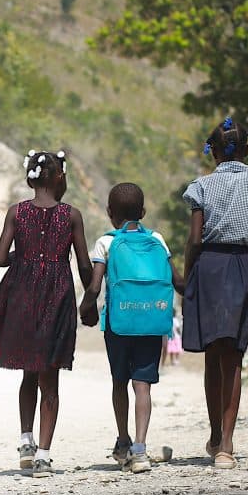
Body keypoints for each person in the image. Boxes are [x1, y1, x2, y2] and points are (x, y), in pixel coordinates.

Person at [0, 149, 93, 478]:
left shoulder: (16, 212)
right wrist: (91, 296)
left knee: (28, 371)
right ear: (59, 178)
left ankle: (26, 442)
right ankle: (44, 456)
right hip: (56, 296)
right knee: (49, 378)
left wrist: (24, 256)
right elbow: (82, 263)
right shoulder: (71, 215)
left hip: (22, 295)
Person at [181, 117, 248, 469]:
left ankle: (213, 434)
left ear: (213, 151)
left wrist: (187, 274)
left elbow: (195, 238)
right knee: (233, 357)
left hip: (208, 266)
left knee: (213, 354)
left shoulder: (201, 186)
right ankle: (227, 443)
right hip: (242, 266)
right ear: (247, 148)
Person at [79, 183, 183, 474]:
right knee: (143, 386)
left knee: (119, 382)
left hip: (119, 324)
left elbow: (96, 286)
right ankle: (140, 449)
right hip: (152, 323)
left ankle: (123, 439)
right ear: (144, 212)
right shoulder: (158, 240)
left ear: (110, 213)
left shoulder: (106, 243)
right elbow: (177, 282)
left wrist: (84, 309)